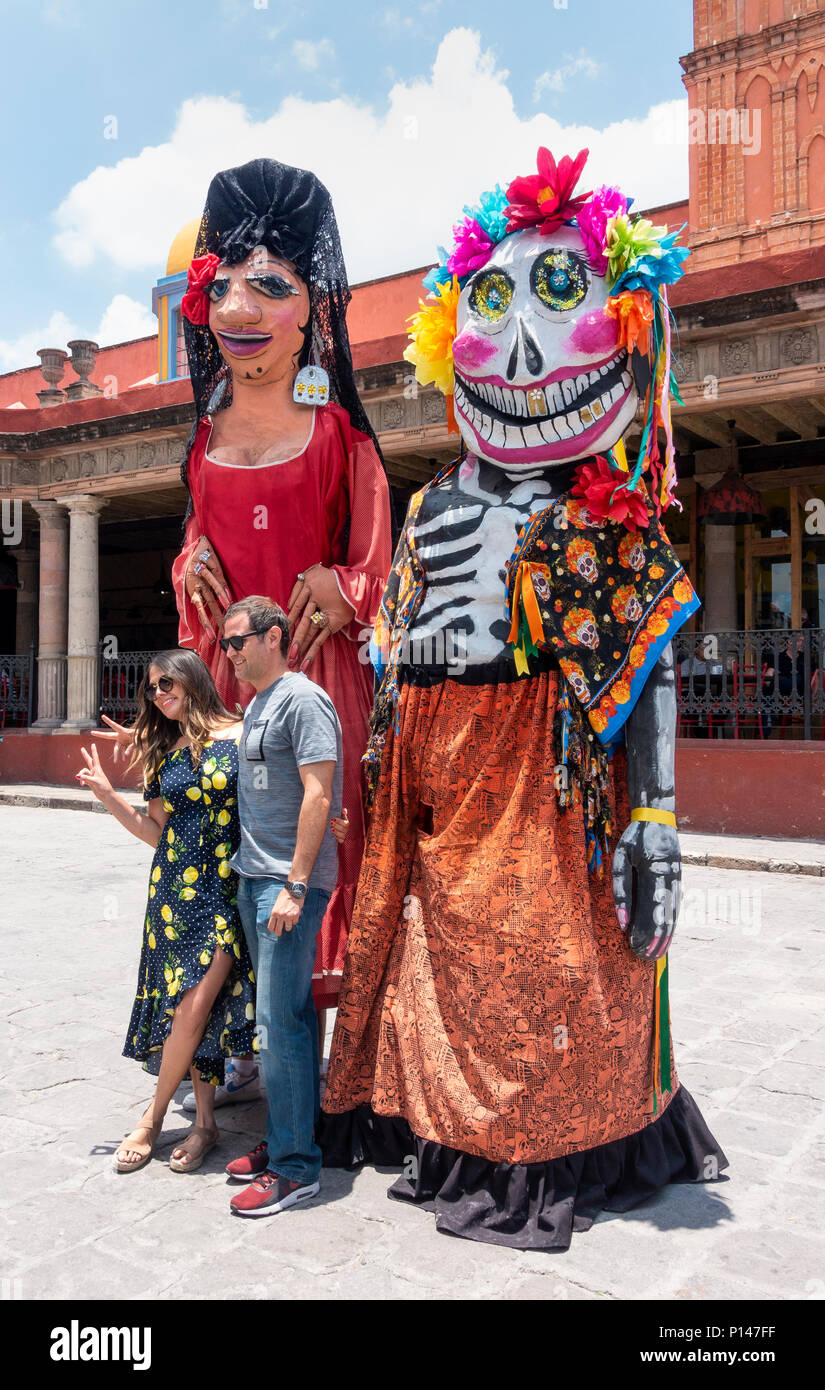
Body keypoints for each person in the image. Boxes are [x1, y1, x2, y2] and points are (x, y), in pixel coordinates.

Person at [321, 148, 728, 1250]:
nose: (522, 346)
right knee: (437, 963)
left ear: (631, 334)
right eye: (492, 304)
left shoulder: (611, 517)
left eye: (561, 298)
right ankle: (433, 1119)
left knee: (554, 972)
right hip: (436, 783)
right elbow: (399, 638)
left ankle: (558, 1137)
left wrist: (655, 815)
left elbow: (651, 663)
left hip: (548, 784)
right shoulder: (429, 502)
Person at [170, 159, 392, 1070]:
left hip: (314, 684)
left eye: (269, 286)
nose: (238, 309)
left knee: (317, 853)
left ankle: (326, 1051)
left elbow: (381, 550)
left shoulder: (338, 433)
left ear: (312, 308)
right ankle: (240, 1043)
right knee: (224, 856)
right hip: (227, 683)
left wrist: (350, 585)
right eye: (222, 286)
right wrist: (190, 562)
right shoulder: (205, 435)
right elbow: (192, 535)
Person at [78, 649, 255, 1174]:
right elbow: (156, 832)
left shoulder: (241, 733)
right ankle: (203, 1124)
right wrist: (109, 796)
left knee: (194, 1008)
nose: (158, 694)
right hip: (173, 897)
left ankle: (151, 1120)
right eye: (152, 688)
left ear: (193, 679)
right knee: (191, 1010)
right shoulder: (163, 750)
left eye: (166, 683)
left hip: (225, 891)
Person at [219, 596, 343, 1217]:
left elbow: (320, 790)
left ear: (273, 637)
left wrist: (296, 884)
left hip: (285, 886)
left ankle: (297, 1169)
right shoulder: (258, 704)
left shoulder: (303, 699)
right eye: (224, 643)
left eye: (237, 641)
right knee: (280, 1020)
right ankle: (288, 1140)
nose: (229, 652)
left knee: (280, 1024)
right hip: (254, 879)